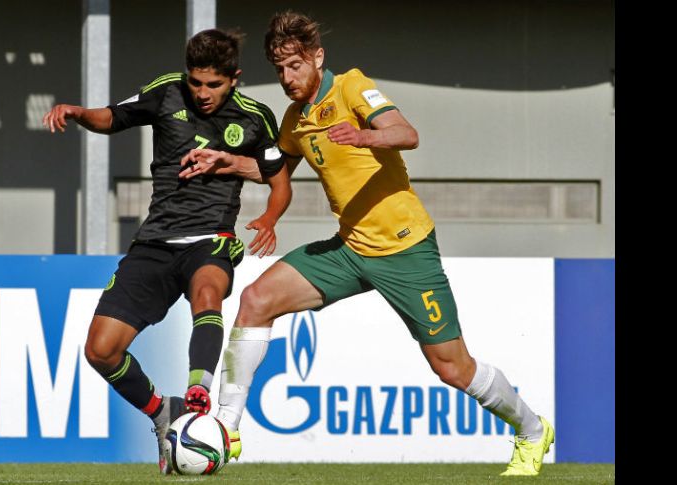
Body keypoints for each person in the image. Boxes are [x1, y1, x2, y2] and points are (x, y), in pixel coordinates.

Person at [200, 11, 554, 477]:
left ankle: (531, 430)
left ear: (317, 57)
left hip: (405, 249)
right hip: (348, 250)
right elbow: (276, 171)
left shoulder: (351, 86)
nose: (288, 77)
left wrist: (364, 135)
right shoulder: (295, 118)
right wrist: (229, 161)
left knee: (452, 368)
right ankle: (226, 426)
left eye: (295, 66)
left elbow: (407, 134)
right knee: (255, 299)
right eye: (280, 69)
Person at [42, 29, 291, 474]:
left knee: (208, 294)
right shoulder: (165, 92)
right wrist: (77, 112)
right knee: (100, 350)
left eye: (213, 84)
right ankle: (164, 412)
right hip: (155, 242)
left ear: (234, 78)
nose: (202, 93)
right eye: (196, 82)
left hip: (210, 239)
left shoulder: (256, 117)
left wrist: (270, 218)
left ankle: (199, 391)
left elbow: (280, 181)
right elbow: (112, 118)